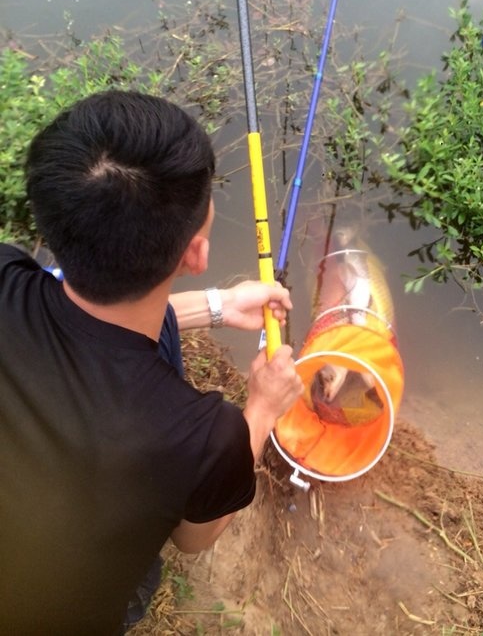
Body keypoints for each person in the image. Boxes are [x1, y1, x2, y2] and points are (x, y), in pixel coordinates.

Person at [0, 89, 303, 635]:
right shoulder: (202, 435)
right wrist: (260, 411)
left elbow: (86, 308)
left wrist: (218, 305)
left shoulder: (5, 274)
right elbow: (194, 539)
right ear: (195, 254)